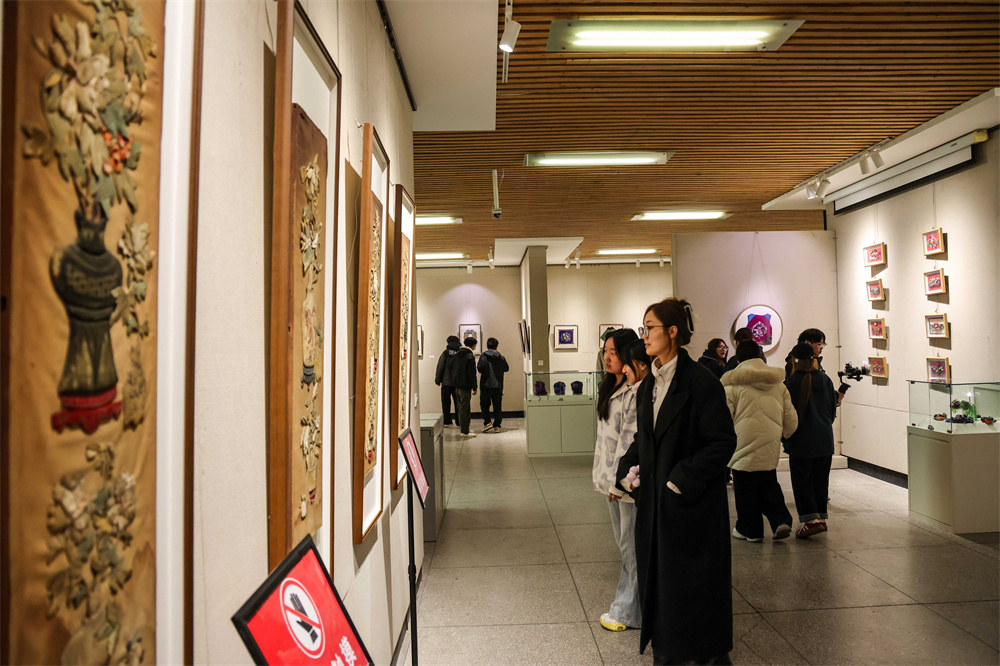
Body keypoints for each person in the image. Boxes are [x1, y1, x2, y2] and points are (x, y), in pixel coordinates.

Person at [616, 298, 737, 665]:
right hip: (655, 509)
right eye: (643, 328)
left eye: (649, 327)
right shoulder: (649, 383)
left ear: (672, 331)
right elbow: (645, 438)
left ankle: (705, 655)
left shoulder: (701, 382)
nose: (644, 335)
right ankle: (666, 651)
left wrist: (678, 481)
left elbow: (721, 442)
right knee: (661, 586)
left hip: (690, 508)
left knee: (693, 589)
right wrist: (627, 466)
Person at [592, 328, 642, 633]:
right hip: (611, 481)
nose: (608, 358)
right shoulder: (610, 386)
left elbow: (629, 441)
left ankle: (628, 611)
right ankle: (632, 608)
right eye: (605, 352)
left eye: (614, 352)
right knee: (626, 547)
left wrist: (618, 482)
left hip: (624, 484)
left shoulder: (633, 392)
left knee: (631, 548)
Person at [722, 340, 798, 543]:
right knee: (768, 482)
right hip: (769, 442)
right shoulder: (778, 384)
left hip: (741, 444)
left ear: (738, 359)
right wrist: (787, 433)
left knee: (745, 489)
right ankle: (780, 519)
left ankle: (750, 529)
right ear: (760, 356)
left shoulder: (732, 384)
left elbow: (724, 418)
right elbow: (790, 417)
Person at [783, 342, 839, 538]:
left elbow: (787, 416)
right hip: (824, 439)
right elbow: (832, 411)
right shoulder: (826, 380)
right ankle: (821, 519)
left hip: (801, 441)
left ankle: (810, 521)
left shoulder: (789, 384)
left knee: (802, 481)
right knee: (820, 481)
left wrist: (785, 437)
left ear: (794, 361)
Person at [477, 337, 509, 432]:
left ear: (487, 346)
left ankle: (487, 422)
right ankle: (497, 425)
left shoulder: (483, 356)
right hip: (498, 385)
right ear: (496, 346)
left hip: (486, 385)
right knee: (497, 406)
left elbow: (479, 369)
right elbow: (506, 368)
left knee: (484, 405)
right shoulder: (501, 357)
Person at [452, 336, 478, 438]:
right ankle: (464, 431)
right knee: (465, 409)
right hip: (465, 386)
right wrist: (475, 387)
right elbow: (472, 374)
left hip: (456, 385)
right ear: (473, 345)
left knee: (460, 408)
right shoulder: (470, 356)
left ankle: (464, 428)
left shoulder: (457, 354)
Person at [434, 335, 462, 427]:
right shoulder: (461, 352)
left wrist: (438, 380)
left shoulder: (446, 353)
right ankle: (459, 421)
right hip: (458, 383)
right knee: (458, 403)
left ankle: (447, 421)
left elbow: (440, 367)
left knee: (446, 403)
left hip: (446, 382)